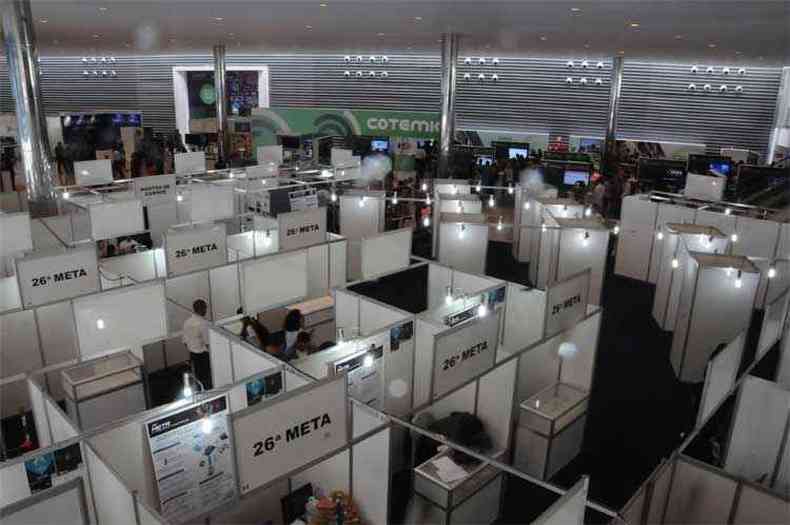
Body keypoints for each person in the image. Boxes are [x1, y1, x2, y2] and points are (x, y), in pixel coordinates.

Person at [182, 299, 212, 390]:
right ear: (201, 309)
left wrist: (192, 348)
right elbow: (208, 343)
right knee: (207, 378)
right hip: (203, 356)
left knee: (197, 377)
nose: (206, 311)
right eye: (205, 308)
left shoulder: (187, 322)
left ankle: (200, 392)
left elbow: (184, 342)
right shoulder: (203, 323)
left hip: (192, 355)